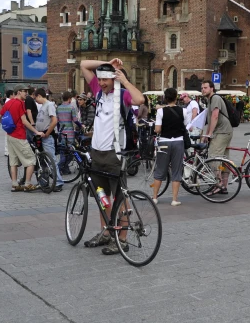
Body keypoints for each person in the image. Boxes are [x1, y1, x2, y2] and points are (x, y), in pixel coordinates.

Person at [79, 59, 144, 255]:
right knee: (101, 195)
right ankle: (106, 232)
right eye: (100, 79)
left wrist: (123, 80)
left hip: (114, 154)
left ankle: (122, 240)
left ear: (113, 79)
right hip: (97, 153)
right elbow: (83, 64)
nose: (102, 83)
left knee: (120, 198)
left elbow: (140, 100)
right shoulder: (98, 92)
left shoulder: (122, 95)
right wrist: (107, 62)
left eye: (106, 79)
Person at [151, 88, 186, 206]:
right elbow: (186, 126)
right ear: (176, 97)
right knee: (176, 170)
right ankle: (174, 199)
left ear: (165, 98)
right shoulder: (183, 111)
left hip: (164, 142)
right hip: (178, 142)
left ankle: (155, 197)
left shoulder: (161, 112)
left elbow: (157, 129)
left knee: (160, 169)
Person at [1, 87, 39, 192]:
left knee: (13, 161)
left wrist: (9, 125)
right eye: (24, 92)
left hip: (10, 135)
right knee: (31, 159)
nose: (26, 94)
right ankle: (27, 184)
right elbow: (24, 121)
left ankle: (14, 184)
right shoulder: (20, 103)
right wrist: (35, 131)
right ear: (18, 92)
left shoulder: (7, 103)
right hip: (19, 135)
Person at [202, 80, 234, 196]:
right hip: (225, 131)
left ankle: (218, 184)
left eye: (205, 87)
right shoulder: (210, 99)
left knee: (214, 157)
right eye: (202, 88)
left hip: (222, 132)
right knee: (223, 159)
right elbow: (211, 119)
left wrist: (210, 134)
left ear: (212, 88)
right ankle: (224, 187)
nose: (203, 90)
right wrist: (207, 133)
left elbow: (215, 116)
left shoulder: (215, 98)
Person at [34, 89, 64, 192]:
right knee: (44, 161)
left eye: (35, 98)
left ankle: (59, 182)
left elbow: (54, 121)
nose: (35, 101)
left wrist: (47, 133)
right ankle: (44, 181)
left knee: (51, 160)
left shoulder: (49, 105)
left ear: (39, 96)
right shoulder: (43, 106)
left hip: (47, 136)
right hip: (41, 136)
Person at [56, 91, 79, 174]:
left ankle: (65, 168)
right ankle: (59, 167)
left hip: (62, 132)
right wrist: (81, 126)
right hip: (69, 133)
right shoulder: (71, 107)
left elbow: (57, 122)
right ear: (69, 99)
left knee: (63, 151)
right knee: (71, 151)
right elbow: (75, 120)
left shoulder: (58, 108)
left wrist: (59, 131)